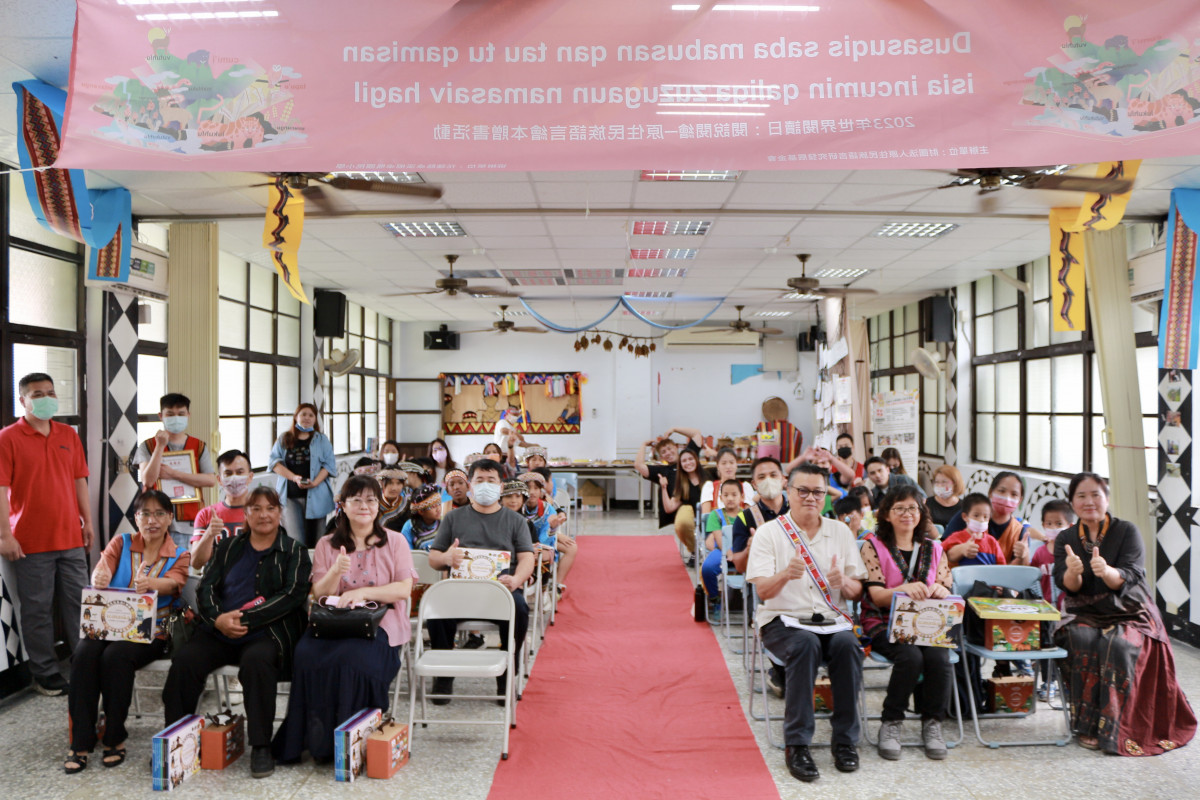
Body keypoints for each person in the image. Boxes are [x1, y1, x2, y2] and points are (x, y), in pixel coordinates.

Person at [162, 486, 312, 779]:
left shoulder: (294, 551)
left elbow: (292, 595)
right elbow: (205, 588)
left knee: (257, 664)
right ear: (246, 514)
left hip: (265, 633)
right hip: (218, 630)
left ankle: (260, 747)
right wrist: (218, 619)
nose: (263, 515)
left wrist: (244, 618)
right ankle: (175, 741)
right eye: (256, 509)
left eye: (270, 508)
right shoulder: (228, 546)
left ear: (280, 512)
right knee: (186, 661)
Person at [274, 476, 415, 764]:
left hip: (380, 621)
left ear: (379, 506)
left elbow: (403, 589)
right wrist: (336, 571)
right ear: (343, 506)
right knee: (305, 653)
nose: (365, 506)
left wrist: (363, 591)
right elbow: (319, 593)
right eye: (357, 500)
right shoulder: (327, 544)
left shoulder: (395, 541)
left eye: (371, 500)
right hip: (334, 620)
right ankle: (312, 738)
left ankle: (350, 741)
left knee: (352, 657)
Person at [1053, 472, 1196, 756]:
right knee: (1079, 639)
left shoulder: (1127, 530)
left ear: (1107, 499)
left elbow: (1129, 576)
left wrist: (1106, 571)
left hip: (1128, 609)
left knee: (1116, 644)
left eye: (1096, 494)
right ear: (1072, 502)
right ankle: (1087, 725)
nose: (1089, 501)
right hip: (1085, 609)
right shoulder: (1066, 538)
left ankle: (1115, 729)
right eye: (1081, 496)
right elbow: (1068, 586)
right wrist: (1072, 571)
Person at [746, 463, 867, 783]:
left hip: (831, 619)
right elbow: (762, 592)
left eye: (818, 491)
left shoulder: (840, 532)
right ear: (788, 491)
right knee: (804, 644)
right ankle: (797, 744)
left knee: (847, 646)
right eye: (803, 491)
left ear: (826, 495)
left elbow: (856, 591)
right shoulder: (770, 534)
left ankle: (844, 741)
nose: (810, 497)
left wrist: (844, 582)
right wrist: (786, 574)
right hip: (782, 621)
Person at [65, 489, 190, 774]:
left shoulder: (180, 554)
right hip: (107, 625)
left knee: (115, 657)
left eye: (159, 513)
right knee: (83, 654)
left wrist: (151, 583)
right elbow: (102, 570)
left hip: (152, 633)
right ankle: (81, 740)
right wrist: (100, 576)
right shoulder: (120, 543)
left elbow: (175, 584)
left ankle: (114, 738)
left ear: (170, 518)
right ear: (136, 518)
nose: (152, 520)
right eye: (145, 513)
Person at [0, 372, 94, 696]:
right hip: (30, 541)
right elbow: (1, 488)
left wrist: (88, 522)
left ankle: (85, 664)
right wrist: (4, 535)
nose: (45, 398)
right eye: (37, 393)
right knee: (37, 609)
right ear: (23, 400)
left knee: (80, 604)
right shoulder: (7, 438)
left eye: (50, 392)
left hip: (70, 536)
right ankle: (45, 673)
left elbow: (79, 480)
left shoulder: (69, 434)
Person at [426, 458, 535, 703]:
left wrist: (516, 580)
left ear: (501, 486)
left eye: (491, 480)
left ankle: (506, 675)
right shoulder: (453, 519)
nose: (485, 485)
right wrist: (446, 557)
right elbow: (433, 559)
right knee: (435, 608)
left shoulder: (516, 521)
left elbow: (528, 558)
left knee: (518, 608)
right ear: (471, 486)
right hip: (461, 590)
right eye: (479, 480)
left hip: (501, 590)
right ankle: (443, 675)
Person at [859, 486, 953, 761]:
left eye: (913, 508)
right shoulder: (872, 545)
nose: (907, 514)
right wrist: (904, 589)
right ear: (886, 514)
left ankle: (932, 722)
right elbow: (876, 595)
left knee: (939, 656)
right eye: (899, 508)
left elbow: (947, 589)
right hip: (883, 621)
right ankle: (891, 722)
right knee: (910, 657)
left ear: (922, 513)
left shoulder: (934, 548)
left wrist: (940, 591)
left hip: (926, 622)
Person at [133, 393, 217, 549]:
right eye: (170, 414)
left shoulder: (198, 446)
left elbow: (211, 480)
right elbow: (148, 480)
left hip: (189, 522)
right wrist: (160, 446)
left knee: (184, 569)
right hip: (155, 522)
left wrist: (173, 473)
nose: (176, 418)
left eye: (181, 414)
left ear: (188, 415)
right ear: (161, 416)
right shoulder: (148, 446)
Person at [269, 403, 336, 547]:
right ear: (296, 417)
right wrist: (294, 477)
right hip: (290, 497)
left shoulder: (321, 439)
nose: (307, 418)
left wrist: (315, 482)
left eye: (311, 415)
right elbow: (274, 463)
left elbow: (329, 465)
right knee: (296, 540)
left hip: (317, 497)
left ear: (315, 419)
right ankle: (298, 568)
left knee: (317, 541)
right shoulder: (284, 438)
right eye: (303, 414)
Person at [1033, 499, 1074, 702]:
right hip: (1045, 609)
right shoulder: (1040, 553)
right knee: (1046, 645)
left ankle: (1066, 682)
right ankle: (1047, 682)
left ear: (1070, 526)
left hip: (1067, 611)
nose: (1053, 528)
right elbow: (1032, 578)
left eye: (1059, 524)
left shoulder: (1071, 552)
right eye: (1049, 524)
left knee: (1067, 645)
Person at [192, 450, 254, 570]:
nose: (234, 478)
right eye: (228, 473)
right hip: (216, 585)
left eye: (240, 472)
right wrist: (209, 534)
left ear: (250, 477)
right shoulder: (205, 514)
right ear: (219, 480)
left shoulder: (262, 514)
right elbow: (196, 563)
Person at [634, 426, 705, 530]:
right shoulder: (663, 471)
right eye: (663, 452)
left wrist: (675, 429)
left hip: (699, 509)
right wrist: (644, 445)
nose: (667, 453)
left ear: (676, 448)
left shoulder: (687, 458)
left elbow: (697, 434)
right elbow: (638, 465)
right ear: (661, 457)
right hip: (677, 515)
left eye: (669, 448)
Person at [729, 457, 789, 575]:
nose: (768, 480)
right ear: (754, 484)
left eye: (773, 475)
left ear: (783, 479)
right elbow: (739, 567)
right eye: (762, 477)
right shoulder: (745, 518)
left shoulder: (797, 511)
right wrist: (748, 550)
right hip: (765, 584)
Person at [700, 479, 746, 610]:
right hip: (722, 551)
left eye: (734, 495)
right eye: (726, 495)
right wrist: (728, 552)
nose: (730, 498)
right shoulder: (716, 515)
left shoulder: (747, 514)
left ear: (742, 497)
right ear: (720, 498)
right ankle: (715, 599)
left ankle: (751, 603)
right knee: (707, 568)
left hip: (742, 551)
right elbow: (718, 536)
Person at [660, 447, 709, 555]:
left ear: (696, 459)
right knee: (682, 523)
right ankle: (695, 551)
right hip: (694, 518)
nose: (688, 463)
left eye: (690, 459)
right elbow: (669, 508)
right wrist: (663, 488)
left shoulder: (708, 475)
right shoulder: (682, 485)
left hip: (710, 515)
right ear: (680, 465)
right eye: (684, 461)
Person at [941, 493, 1006, 566]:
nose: (981, 520)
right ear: (965, 516)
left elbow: (1002, 567)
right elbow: (941, 554)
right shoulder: (956, 537)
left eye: (985, 517)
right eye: (976, 515)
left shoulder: (992, 542)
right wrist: (962, 549)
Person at [700, 448, 755, 519]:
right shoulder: (710, 487)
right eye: (724, 463)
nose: (728, 466)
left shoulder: (745, 487)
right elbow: (706, 516)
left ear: (736, 465)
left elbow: (748, 516)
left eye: (731, 462)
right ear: (718, 466)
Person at [397, 485, 443, 550]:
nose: (438, 509)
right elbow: (406, 553)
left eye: (439, 504)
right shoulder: (409, 528)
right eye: (433, 506)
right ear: (421, 511)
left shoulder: (443, 523)